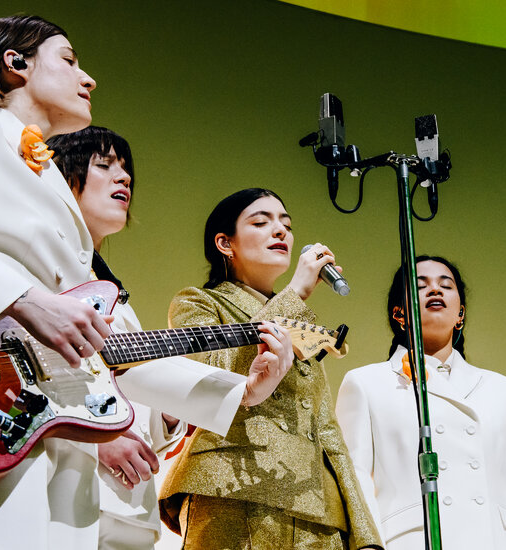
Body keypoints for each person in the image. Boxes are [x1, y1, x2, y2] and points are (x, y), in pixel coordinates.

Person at [0, 17, 290, 549]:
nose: (89, 78)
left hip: (48, 427)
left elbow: (98, 352)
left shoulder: (48, 175)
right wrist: (25, 300)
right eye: (69, 59)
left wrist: (242, 391)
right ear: (16, 65)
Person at [158, 188, 382, 550]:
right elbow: (209, 377)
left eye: (287, 225)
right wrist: (295, 292)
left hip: (319, 511)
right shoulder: (199, 302)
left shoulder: (300, 324)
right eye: (261, 222)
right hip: (232, 487)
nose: (280, 232)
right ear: (225, 243)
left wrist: (363, 533)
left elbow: (326, 432)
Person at [335, 256, 506, 550]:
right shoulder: (366, 383)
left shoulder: (503, 389)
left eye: (446, 285)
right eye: (421, 286)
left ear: (460, 314)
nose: (435, 290)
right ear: (399, 314)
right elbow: (354, 481)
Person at [48, 126, 193, 549]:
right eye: (105, 164)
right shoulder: (33, 280)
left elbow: (129, 403)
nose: (124, 178)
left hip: (127, 509)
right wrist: (97, 439)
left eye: (127, 169)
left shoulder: (116, 300)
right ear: (59, 178)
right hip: (59, 496)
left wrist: (167, 414)